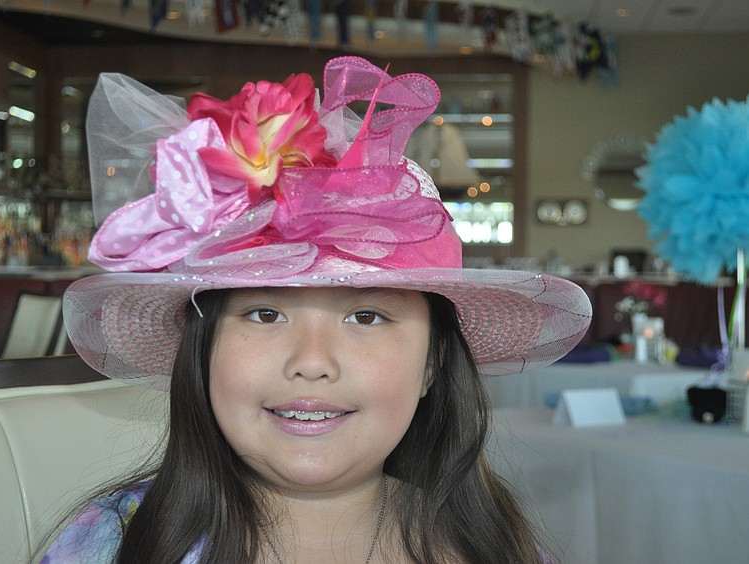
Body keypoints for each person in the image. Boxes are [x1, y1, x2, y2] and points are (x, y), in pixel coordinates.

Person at [41, 56, 591, 563]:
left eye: (366, 316)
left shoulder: (490, 549)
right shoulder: (117, 542)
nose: (311, 361)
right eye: (264, 314)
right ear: (201, 349)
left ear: (433, 363)